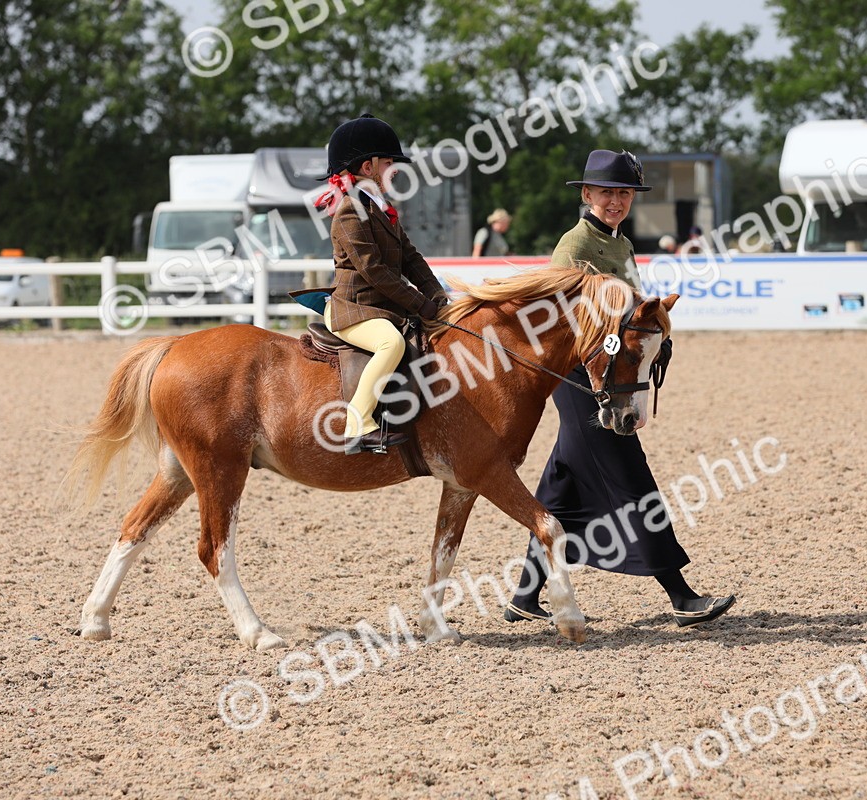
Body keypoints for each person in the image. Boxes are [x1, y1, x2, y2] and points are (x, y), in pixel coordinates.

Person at [504, 149, 736, 629]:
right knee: (634, 480)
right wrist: (616, 341)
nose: (616, 201)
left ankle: (525, 594)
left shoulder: (622, 246)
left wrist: (656, 339)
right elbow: (568, 320)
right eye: (607, 193)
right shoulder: (574, 247)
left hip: (606, 372)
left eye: (624, 194)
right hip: (582, 378)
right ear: (587, 195)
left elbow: (629, 314)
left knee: (561, 487)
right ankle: (681, 595)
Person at [315, 114, 448, 455]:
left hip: (380, 306)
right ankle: (358, 421)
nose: (394, 169)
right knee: (391, 343)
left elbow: (410, 257)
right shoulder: (348, 211)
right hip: (353, 310)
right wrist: (420, 305)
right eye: (389, 162)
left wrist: (436, 292)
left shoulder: (379, 206)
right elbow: (374, 271)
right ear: (368, 166)